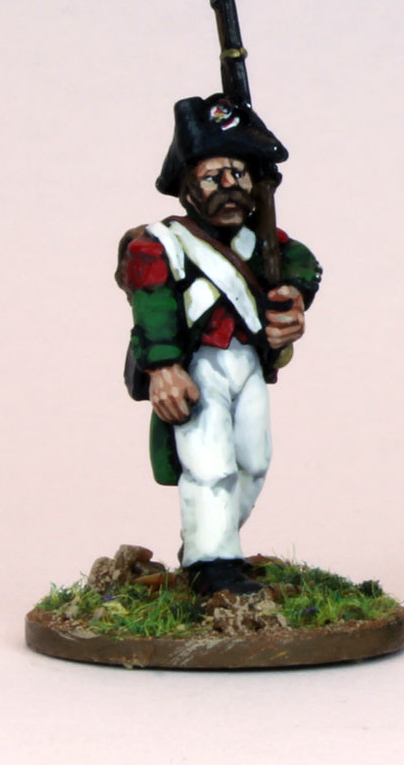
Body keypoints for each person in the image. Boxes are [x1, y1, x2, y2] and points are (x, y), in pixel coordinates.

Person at [117, 94, 321, 595]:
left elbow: (302, 262)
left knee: (253, 461)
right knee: (210, 467)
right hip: (197, 366)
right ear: (188, 187)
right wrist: (164, 367)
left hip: (248, 361)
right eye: (212, 177)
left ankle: (208, 540)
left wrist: (294, 297)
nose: (228, 186)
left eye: (238, 174)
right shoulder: (161, 243)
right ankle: (213, 567)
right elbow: (153, 307)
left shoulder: (261, 241)